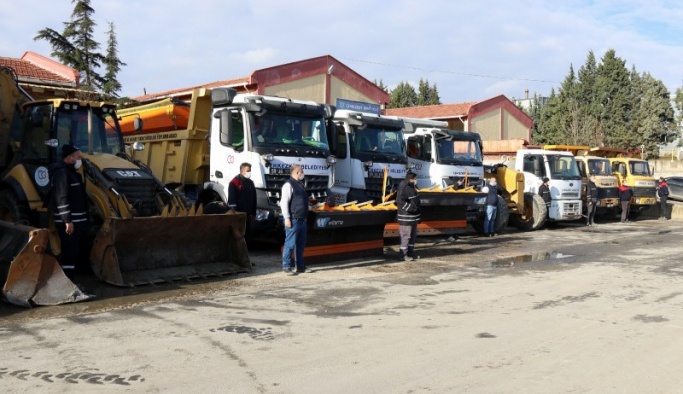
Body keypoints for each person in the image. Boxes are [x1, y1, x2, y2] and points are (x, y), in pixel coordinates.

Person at [48, 144, 89, 279]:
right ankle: (68, 281)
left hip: (78, 222)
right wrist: (67, 221)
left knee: (75, 251)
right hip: (70, 223)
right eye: (77, 157)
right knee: (69, 252)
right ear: (70, 158)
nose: (79, 159)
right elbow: (62, 198)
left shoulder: (72, 173)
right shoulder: (62, 174)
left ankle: (74, 279)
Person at [280, 164, 309, 274]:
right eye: (302, 172)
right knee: (290, 244)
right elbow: (284, 203)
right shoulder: (288, 185)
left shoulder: (300, 184)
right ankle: (286, 266)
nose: (302, 174)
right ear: (298, 173)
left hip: (302, 219)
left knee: (300, 244)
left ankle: (300, 266)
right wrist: (287, 218)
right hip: (293, 219)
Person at [228, 162, 257, 242]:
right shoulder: (234, 183)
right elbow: (232, 199)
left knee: (247, 234)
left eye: (250, 170)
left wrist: (253, 213)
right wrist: (234, 213)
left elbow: (254, 198)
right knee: (238, 234)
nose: (249, 172)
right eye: (248, 171)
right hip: (238, 214)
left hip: (247, 214)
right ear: (241, 171)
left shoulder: (250, 183)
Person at [396, 171, 421, 261]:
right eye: (415, 179)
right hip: (406, 217)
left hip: (413, 217)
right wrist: (411, 208)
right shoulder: (405, 187)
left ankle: (410, 252)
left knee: (412, 236)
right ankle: (403, 254)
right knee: (406, 236)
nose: (416, 180)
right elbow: (400, 201)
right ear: (410, 179)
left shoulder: (412, 187)